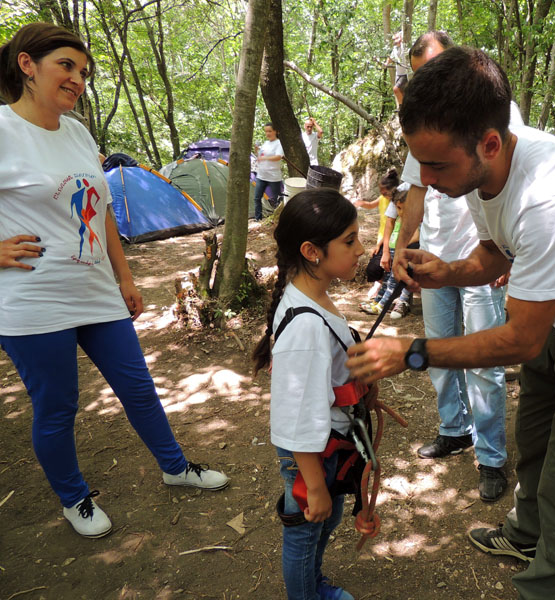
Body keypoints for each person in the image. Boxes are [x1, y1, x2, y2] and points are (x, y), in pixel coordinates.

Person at [345, 47, 555, 600]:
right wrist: (445, 272)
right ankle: (524, 535)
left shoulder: (551, 195)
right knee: (535, 436)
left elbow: (519, 338)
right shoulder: (478, 173)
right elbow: (497, 252)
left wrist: (412, 352)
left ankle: (544, 586)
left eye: (439, 167)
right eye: (425, 166)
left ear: (489, 144)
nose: (432, 181)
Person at [0, 23, 229, 539]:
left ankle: (175, 467)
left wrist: (124, 276)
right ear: (27, 65)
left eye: (84, 72)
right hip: (32, 300)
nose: (78, 79)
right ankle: (73, 498)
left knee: (139, 389)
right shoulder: (2, 130)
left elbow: (102, 209)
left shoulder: (78, 132)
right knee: (58, 407)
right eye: (67, 66)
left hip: (96, 290)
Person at [396, 30, 509, 503]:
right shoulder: (423, 124)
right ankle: (454, 429)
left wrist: (505, 257)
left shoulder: (484, 113)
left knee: (484, 363)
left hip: (480, 258)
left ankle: (492, 457)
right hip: (437, 258)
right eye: (424, 73)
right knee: (440, 352)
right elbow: (416, 191)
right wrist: (402, 246)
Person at [252, 188, 367, 600]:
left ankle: (314, 584)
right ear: (311, 251)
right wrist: (314, 484)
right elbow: (297, 417)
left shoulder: (311, 295)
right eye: (350, 241)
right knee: (306, 529)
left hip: (325, 446)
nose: (361, 249)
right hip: (310, 454)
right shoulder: (305, 328)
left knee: (327, 517)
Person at [360, 187, 418, 319]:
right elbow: (390, 229)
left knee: (393, 279)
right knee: (386, 277)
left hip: (399, 250)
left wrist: (402, 245)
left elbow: (417, 236)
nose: (400, 212)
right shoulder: (398, 219)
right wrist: (382, 244)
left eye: (403, 208)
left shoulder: (414, 220)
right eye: (398, 208)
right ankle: (377, 301)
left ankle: (383, 305)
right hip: (391, 248)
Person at [354, 168, 401, 302]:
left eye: (385, 192)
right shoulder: (382, 198)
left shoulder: (398, 202)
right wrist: (361, 203)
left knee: (384, 266)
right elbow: (371, 204)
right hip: (382, 238)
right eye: (381, 191)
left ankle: (386, 292)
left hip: (392, 240)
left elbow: (394, 225)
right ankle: (380, 286)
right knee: (376, 266)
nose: (382, 194)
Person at [254, 122, 284, 220]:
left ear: (275, 131)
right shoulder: (266, 143)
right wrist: (257, 150)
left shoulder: (278, 143)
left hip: (273, 176)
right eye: (266, 131)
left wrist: (265, 158)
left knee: (277, 200)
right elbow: (260, 155)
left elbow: (278, 157)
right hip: (261, 175)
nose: (268, 133)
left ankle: (280, 218)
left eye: (270, 131)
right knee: (257, 198)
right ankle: (258, 219)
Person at [387, 31, 409, 108]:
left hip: (406, 73)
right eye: (394, 39)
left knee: (396, 89)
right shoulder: (395, 48)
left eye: (397, 38)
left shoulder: (405, 47)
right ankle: (406, 108)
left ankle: (402, 107)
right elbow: (391, 57)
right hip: (398, 74)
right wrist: (386, 64)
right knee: (401, 92)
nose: (396, 41)